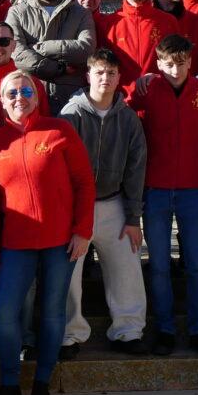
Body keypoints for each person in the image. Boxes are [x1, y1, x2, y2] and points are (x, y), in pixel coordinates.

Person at [0, 70, 96, 395]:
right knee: (3, 311)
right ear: (2, 100)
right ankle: (10, 383)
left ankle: (43, 382)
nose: (19, 97)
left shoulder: (60, 131)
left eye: (26, 90)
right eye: (12, 92)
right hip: (15, 243)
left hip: (60, 241)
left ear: (38, 95)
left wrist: (82, 230)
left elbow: (84, 184)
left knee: (52, 312)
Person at [130, 34, 198, 356]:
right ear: (157, 63)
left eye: (181, 62)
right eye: (168, 62)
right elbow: (123, 108)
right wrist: (136, 83)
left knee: (196, 265)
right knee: (159, 266)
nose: (175, 68)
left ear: (190, 62)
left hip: (193, 189)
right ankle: (164, 329)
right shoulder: (148, 89)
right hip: (155, 189)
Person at [60, 49, 149, 356]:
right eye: (99, 72)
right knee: (69, 273)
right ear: (88, 76)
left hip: (113, 203)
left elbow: (136, 170)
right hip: (75, 207)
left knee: (126, 267)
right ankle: (69, 334)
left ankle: (128, 331)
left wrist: (133, 217)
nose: (105, 78)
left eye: (111, 73)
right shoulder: (70, 116)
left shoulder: (128, 120)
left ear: (119, 78)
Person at [8, 0, 96, 109]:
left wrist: (40, 47)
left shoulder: (81, 13)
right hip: (29, 98)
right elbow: (17, 52)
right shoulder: (16, 12)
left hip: (71, 100)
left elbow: (86, 48)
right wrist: (58, 68)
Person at [103, 0, 178, 94]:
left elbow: (178, 62)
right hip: (121, 104)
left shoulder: (168, 21)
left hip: (159, 98)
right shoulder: (108, 24)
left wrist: (157, 78)